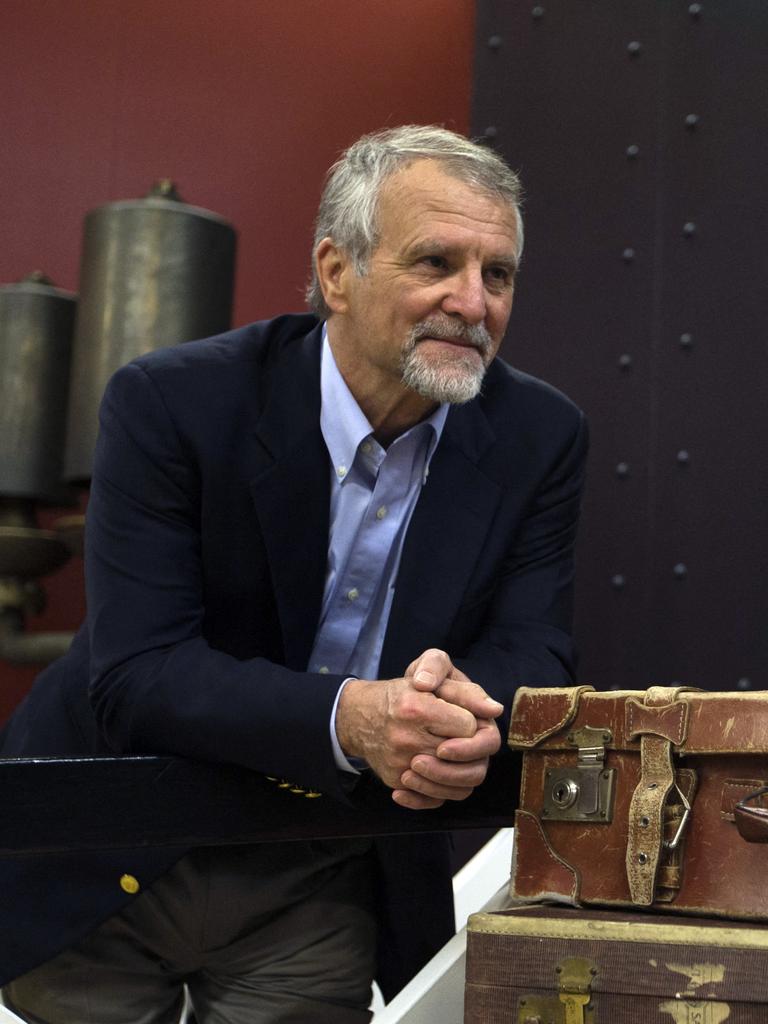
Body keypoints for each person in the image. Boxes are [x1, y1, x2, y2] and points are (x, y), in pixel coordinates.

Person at [0, 125, 587, 1023]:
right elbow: (137, 672)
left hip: (323, 865)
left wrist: (463, 714)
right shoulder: (172, 403)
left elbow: (533, 647)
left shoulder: (540, 436)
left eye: (497, 273)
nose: (473, 303)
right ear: (336, 272)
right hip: (114, 845)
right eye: (436, 262)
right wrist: (352, 718)